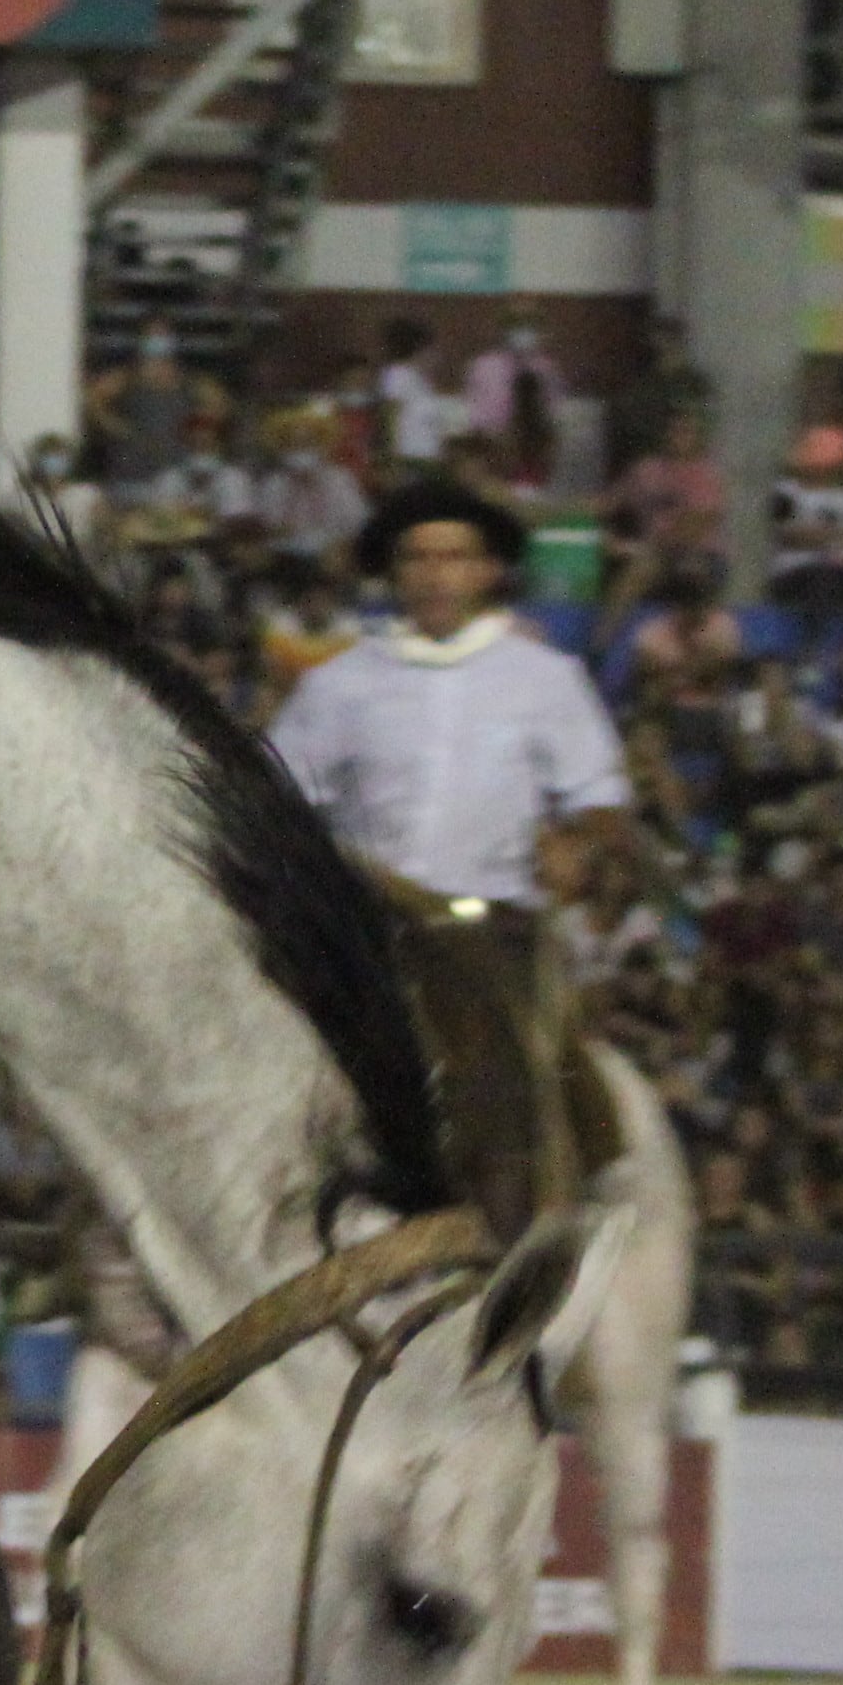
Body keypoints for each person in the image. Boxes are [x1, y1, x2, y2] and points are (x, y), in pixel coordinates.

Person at [265, 474, 636, 1234]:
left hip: (485, 927)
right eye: (418, 558)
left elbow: (599, 795)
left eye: (455, 557)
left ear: (488, 571)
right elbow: (276, 801)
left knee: (514, 1088)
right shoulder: (339, 685)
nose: (436, 575)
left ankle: (518, 1254)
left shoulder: (545, 680)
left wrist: (577, 844)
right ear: (393, 574)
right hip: (365, 930)